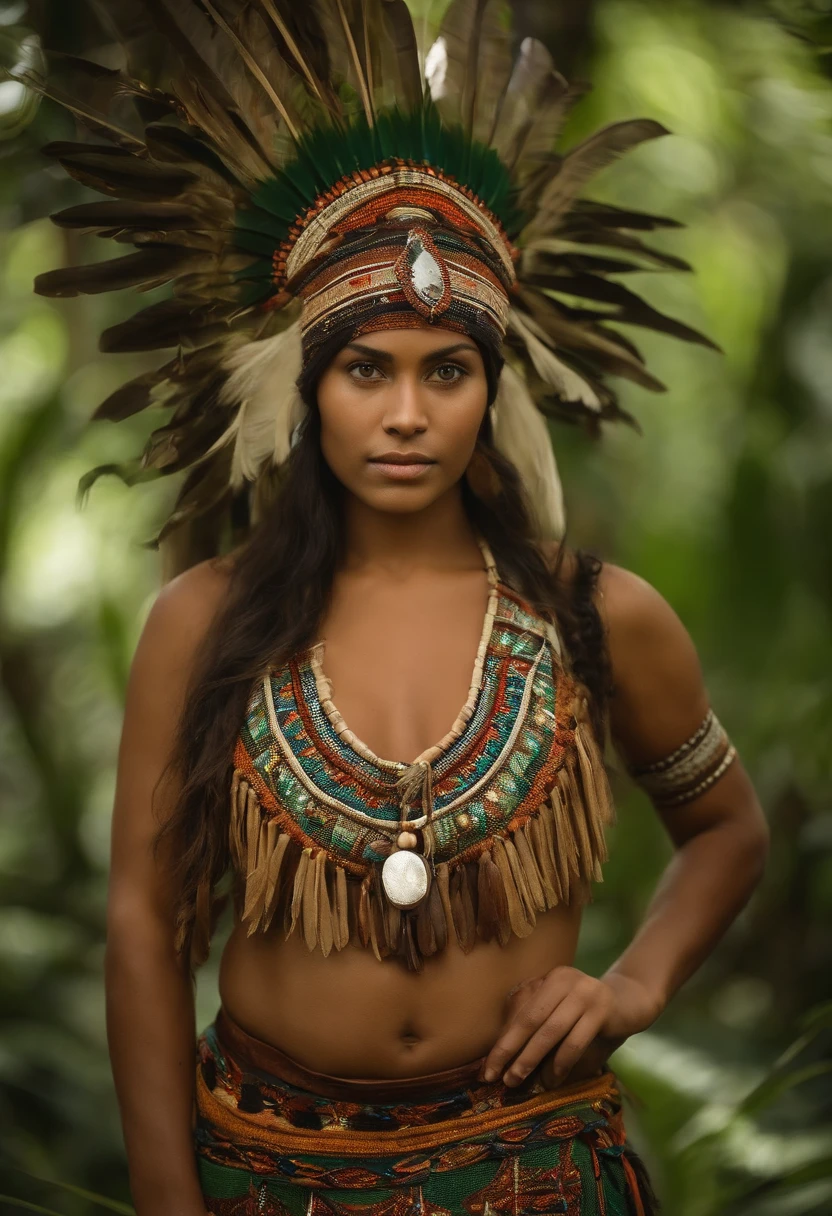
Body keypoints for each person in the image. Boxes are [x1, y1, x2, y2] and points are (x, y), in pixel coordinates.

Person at [30, 3, 770, 1213]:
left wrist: (631, 989)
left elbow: (727, 829)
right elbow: (143, 922)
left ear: (493, 389)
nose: (408, 413)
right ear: (306, 388)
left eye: (448, 369)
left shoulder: (595, 616)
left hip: (535, 1172)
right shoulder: (202, 623)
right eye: (367, 368)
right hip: (268, 1173)